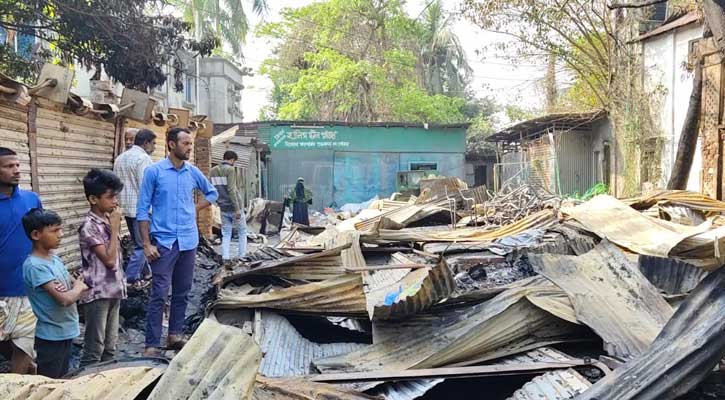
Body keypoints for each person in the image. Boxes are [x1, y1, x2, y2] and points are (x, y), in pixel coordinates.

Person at [136, 127, 217, 357]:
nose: (190, 148)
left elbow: (211, 193)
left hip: (188, 242)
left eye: (191, 144)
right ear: (171, 145)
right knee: (159, 293)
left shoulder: (192, 172)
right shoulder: (155, 172)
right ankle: (151, 344)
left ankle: (174, 335)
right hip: (163, 242)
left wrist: (195, 208)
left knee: (182, 291)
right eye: (185, 144)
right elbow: (142, 210)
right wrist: (146, 244)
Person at [22, 209, 88, 378]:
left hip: (65, 330)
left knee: (62, 377)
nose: (61, 234)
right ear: (36, 235)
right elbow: (65, 299)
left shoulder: (54, 259)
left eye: (61, 229)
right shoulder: (36, 266)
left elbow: (72, 285)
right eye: (54, 230)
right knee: (50, 381)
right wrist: (77, 288)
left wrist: (75, 288)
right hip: (51, 336)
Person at [78, 169, 126, 366]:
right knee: (94, 349)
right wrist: (115, 229)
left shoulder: (107, 219)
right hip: (98, 292)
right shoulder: (89, 226)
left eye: (116, 196)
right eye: (110, 197)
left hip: (114, 288)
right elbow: (108, 259)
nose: (115, 201)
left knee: (110, 346)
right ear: (93, 199)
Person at [0, 147, 41, 374]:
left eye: (17, 165)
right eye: (8, 166)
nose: (16, 170)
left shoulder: (31, 199)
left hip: (27, 288)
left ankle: (16, 388)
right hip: (1, 289)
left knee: (24, 344)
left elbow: (44, 237)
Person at [113, 129, 156, 289]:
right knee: (143, 245)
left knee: (139, 242)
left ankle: (146, 273)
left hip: (126, 208)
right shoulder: (143, 158)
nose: (154, 147)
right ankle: (130, 278)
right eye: (153, 144)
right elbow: (146, 186)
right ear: (145, 143)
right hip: (141, 210)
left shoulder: (120, 158)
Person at [209, 151, 247, 267]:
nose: (234, 164)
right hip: (234, 206)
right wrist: (237, 209)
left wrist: (218, 202)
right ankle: (242, 256)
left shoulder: (213, 170)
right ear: (232, 160)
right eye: (234, 162)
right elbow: (231, 190)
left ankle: (225, 257)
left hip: (223, 207)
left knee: (226, 233)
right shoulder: (230, 170)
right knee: (242, 231)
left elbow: (212, 189)